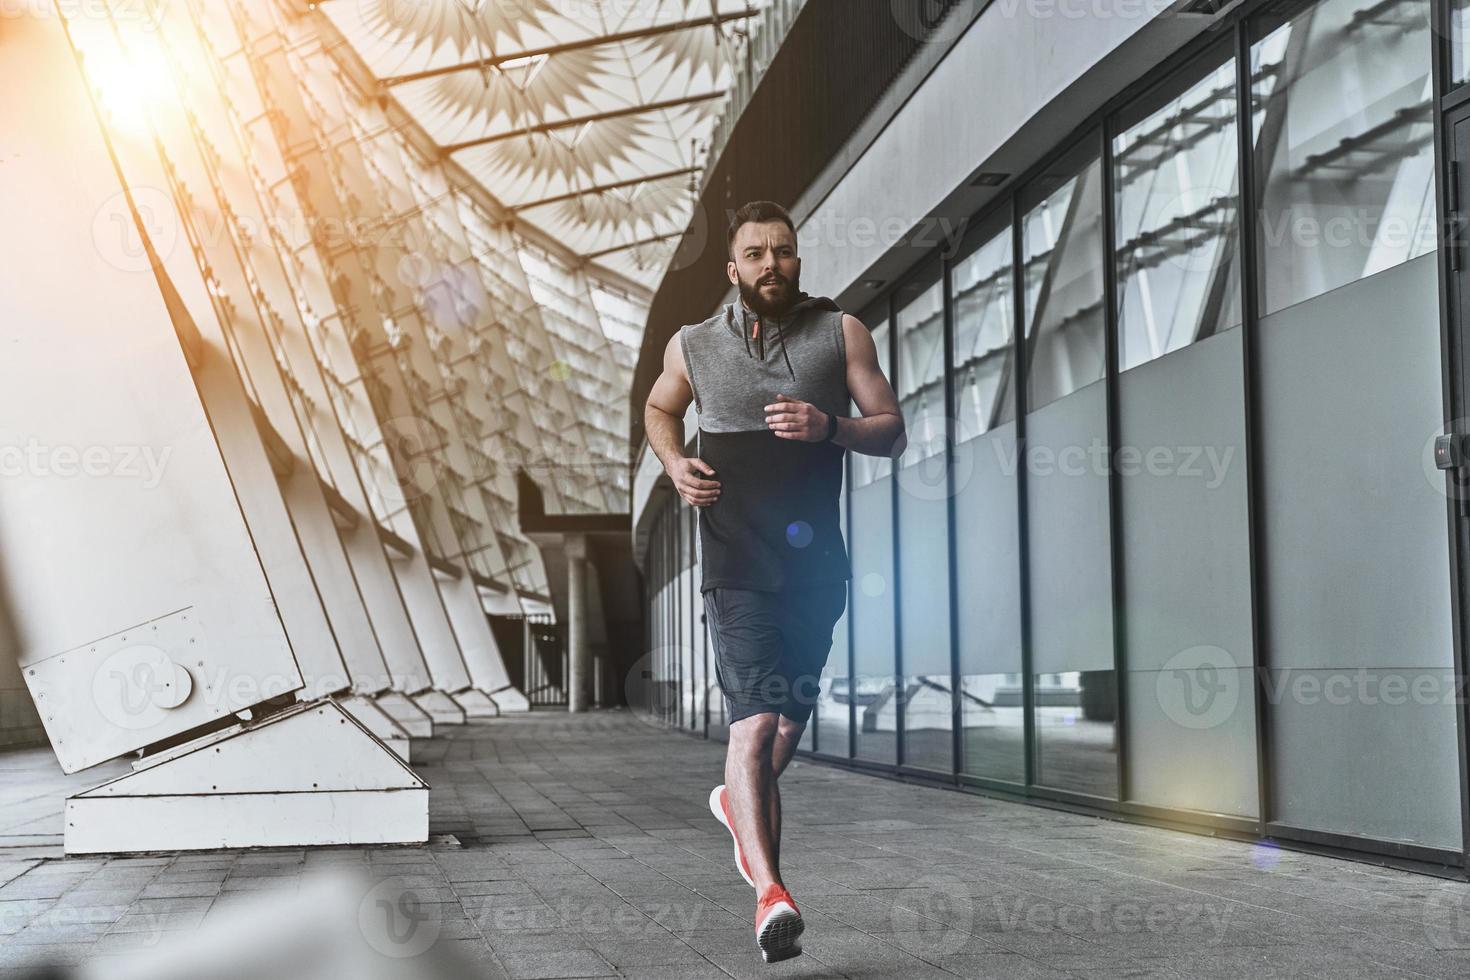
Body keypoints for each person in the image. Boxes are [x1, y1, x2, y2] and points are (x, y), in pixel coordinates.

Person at [643, 201, 905, 963]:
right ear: (733, 270)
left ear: (798, 259)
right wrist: (672, 462)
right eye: (754, 254)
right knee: (754, 725)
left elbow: (891, 428)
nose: (770, 265)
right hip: (736, 566)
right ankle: (771, 894)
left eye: (782, 252)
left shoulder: (841, 333)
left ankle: (735, 798)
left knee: (786, 727)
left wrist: (833, 429)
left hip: (817, 567)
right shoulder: (693, 345)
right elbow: (661, 407)